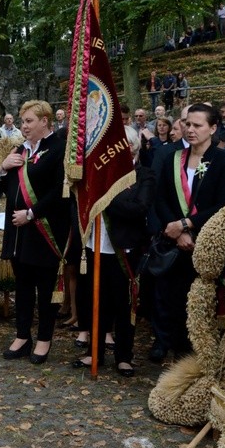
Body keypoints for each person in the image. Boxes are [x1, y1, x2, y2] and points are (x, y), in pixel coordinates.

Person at [151, 103, 225, 360]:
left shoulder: (224, 162)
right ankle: (162, 340)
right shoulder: (172, 159)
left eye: (197, 125)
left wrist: (188, 225)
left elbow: (224, 204)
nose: (190, 130)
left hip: (205, 240)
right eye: (187, 124)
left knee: (196, 295)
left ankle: (189, 346)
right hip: (173, 238)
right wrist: (176, 230)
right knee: (167, 292)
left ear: (212, 128)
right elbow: (161, 198)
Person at [72, 126, 155, 376]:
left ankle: (124, 356)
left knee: (123, 304)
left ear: (131, 147)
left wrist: (106, 196)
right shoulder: (100, 174)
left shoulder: (144, 175)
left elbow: (138, 208)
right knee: (96, 301)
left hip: (124, 249)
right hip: (94, 246)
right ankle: (94, 352)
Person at [0, 100, 69, 365]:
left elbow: (59, 193)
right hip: (18, 232)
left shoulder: (58, 149)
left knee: (45, 288)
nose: (24, 126)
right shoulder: (20, 149)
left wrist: (31, 214)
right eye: (23, 121)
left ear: (45, 121)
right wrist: (3, 168)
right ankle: (22, 336)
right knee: (23, 285)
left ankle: (44, 339)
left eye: (28, 121)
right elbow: (6, 187)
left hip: (44, 230)